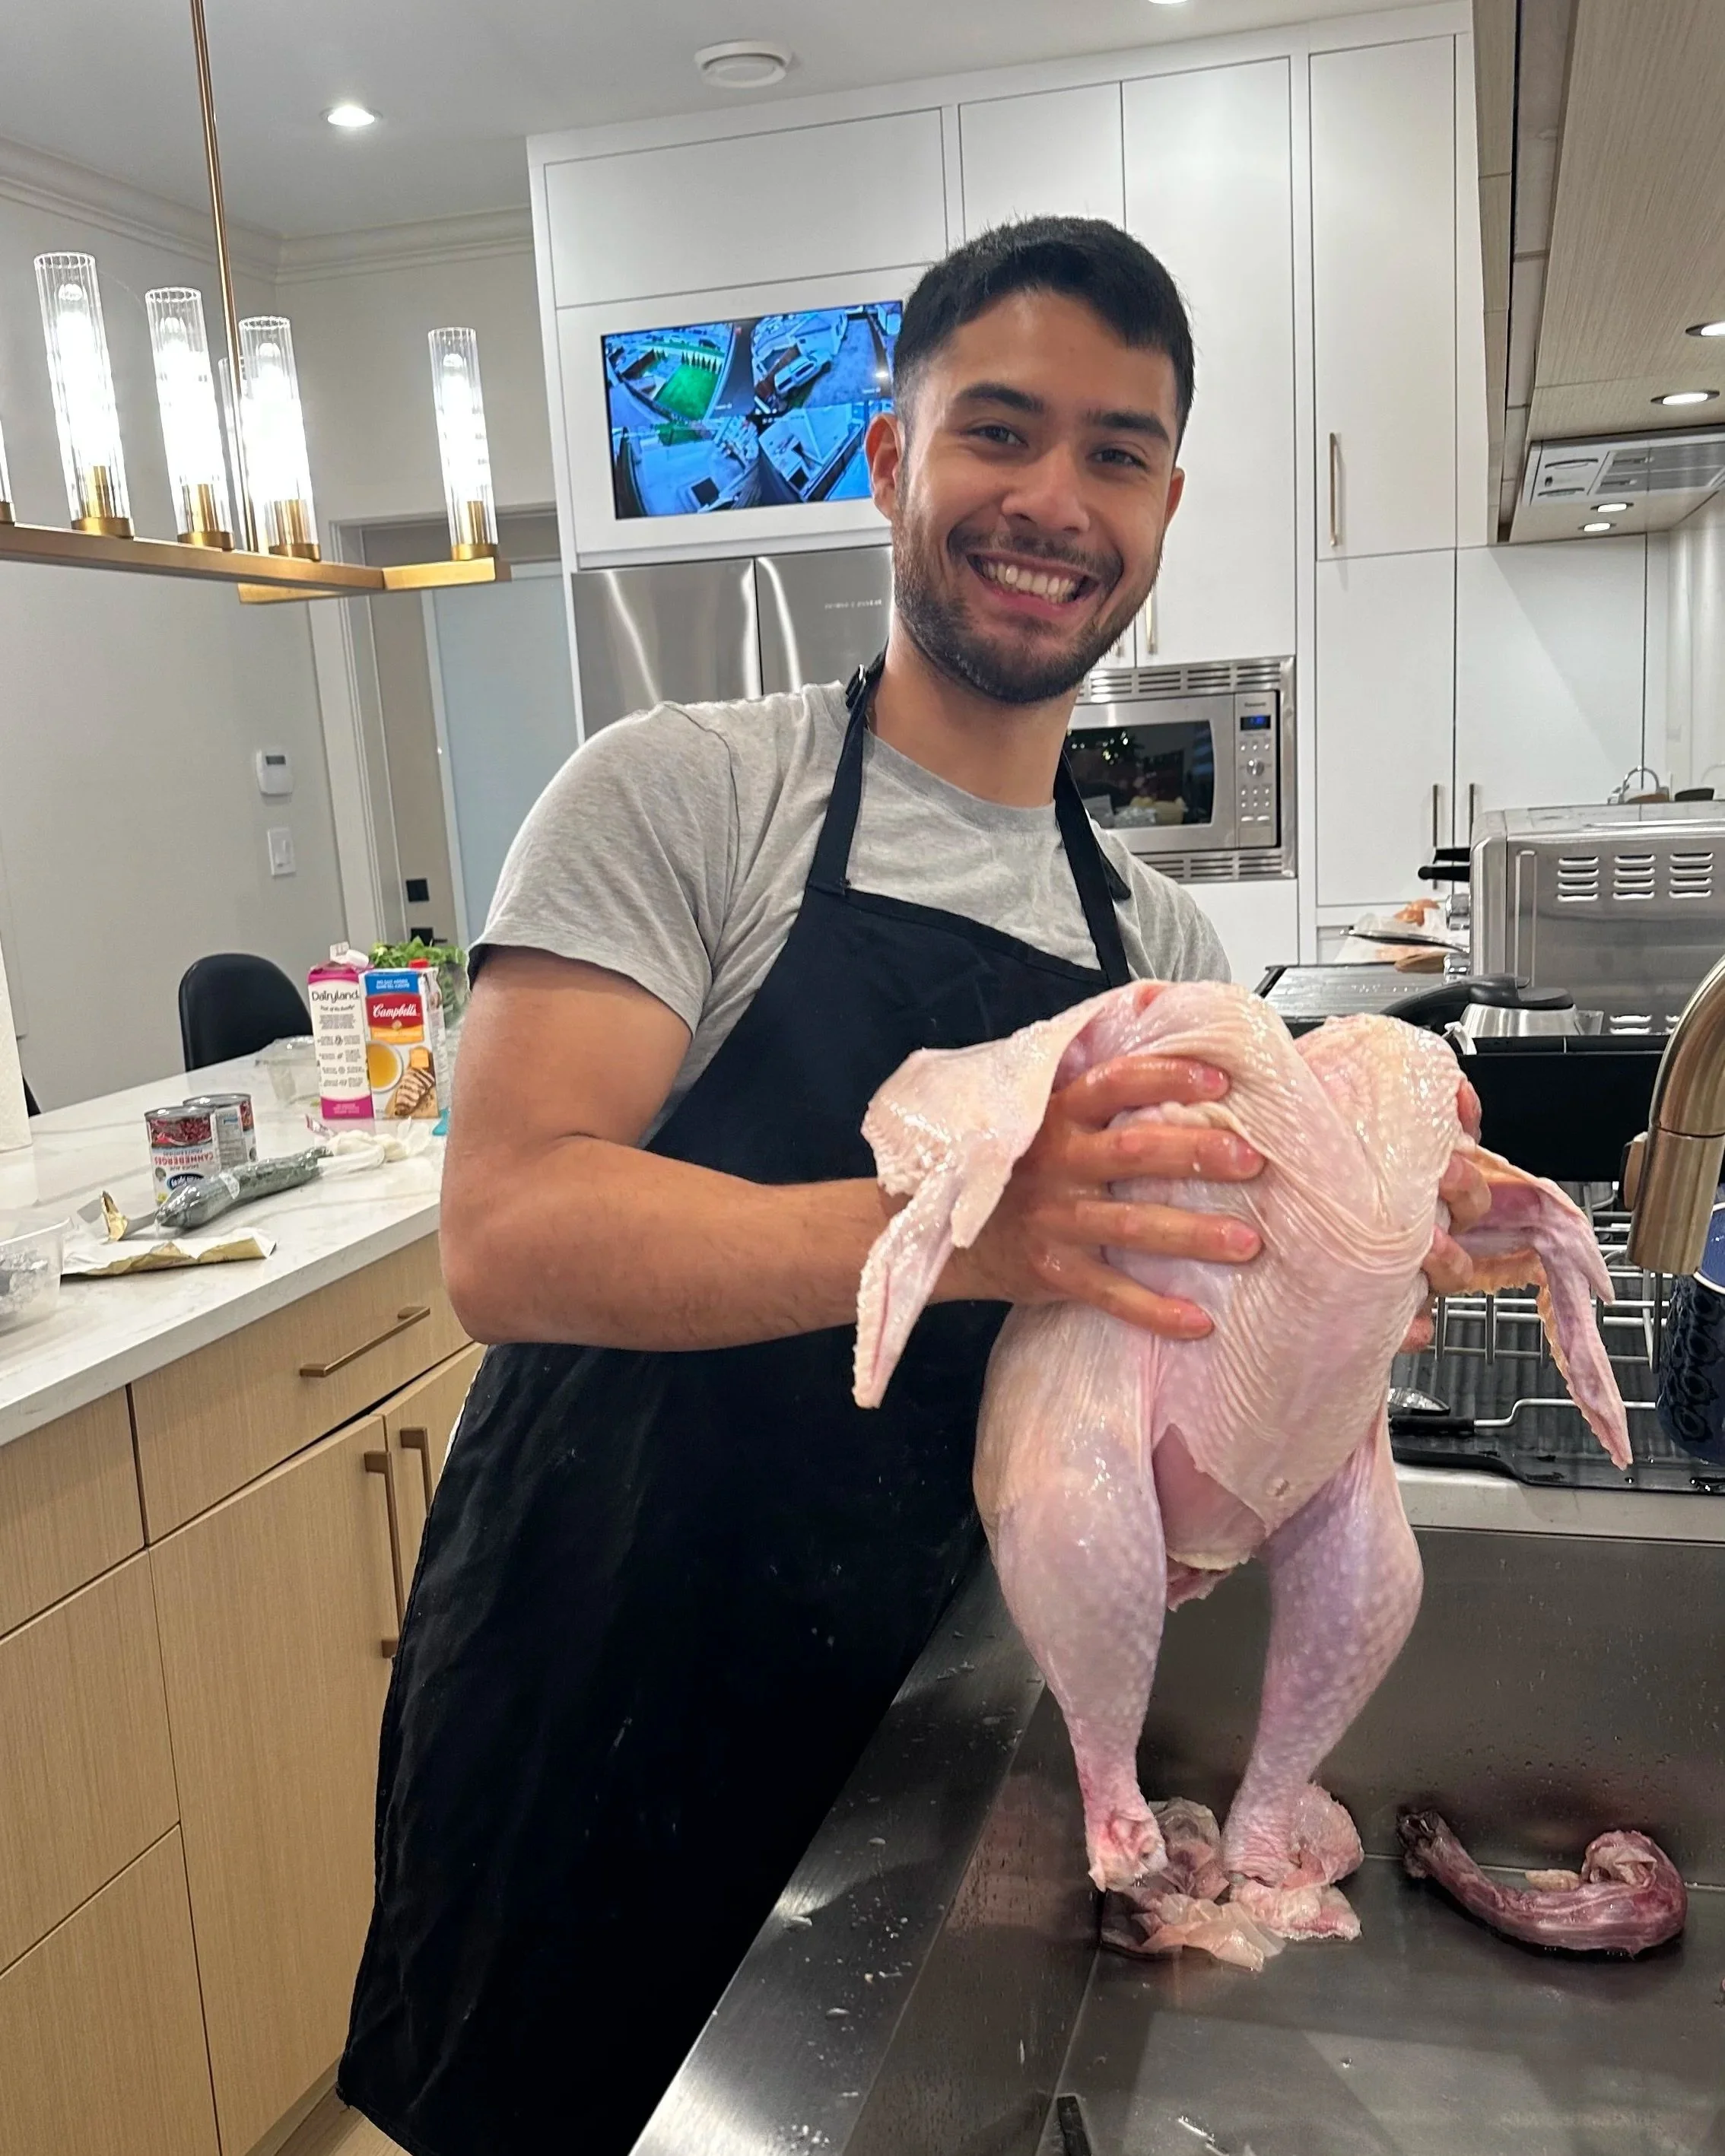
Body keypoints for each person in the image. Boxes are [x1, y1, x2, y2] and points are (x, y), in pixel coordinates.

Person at [340, 216, 1484, 2156]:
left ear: (1168, 504)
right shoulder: (684, 796)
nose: (1054, 500)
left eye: (1116, 453)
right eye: (1001, 432)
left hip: (936, 1738)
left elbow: (1169, 1379)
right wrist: (981, 1223)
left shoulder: (1175, 948)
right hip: (598, 1698)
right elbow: (508, 1230)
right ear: (890, 460)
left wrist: (1339, 1295)